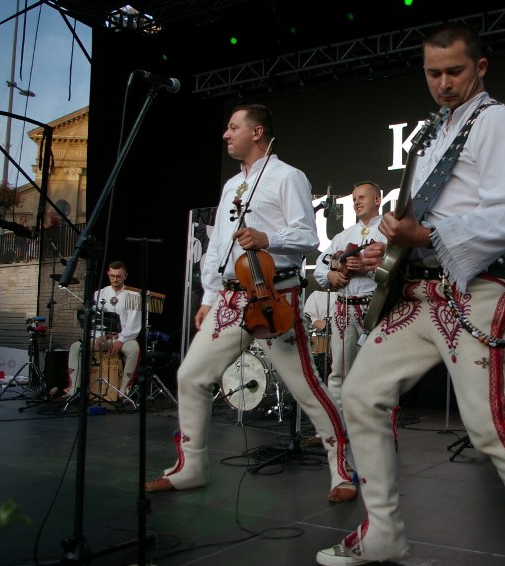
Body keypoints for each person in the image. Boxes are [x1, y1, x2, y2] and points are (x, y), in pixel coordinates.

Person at [316, 22, 505, 566]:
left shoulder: (501, 122)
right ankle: (382, 530)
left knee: (490, 426)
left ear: (480, 67)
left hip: (476, 288)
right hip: (418, 292)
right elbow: (425, 214)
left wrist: (423, 235)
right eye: (433, 73)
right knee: (359, 395)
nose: (443, 82)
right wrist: (392, 238)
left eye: (455, 70)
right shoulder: (434, 132)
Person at [145, 103, 357, 504]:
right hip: (229, 297)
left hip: (274, 294)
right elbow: (217, 250)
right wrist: (209, 296)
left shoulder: (287, 176)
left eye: (232, 127)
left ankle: (341, 468)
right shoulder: (230, 187)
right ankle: (191, 467)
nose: (225, 135)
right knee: (191, 376)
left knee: (307, 387)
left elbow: (308, 237)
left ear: (257, 132)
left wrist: (267, 238)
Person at [313, 181, 384, 407]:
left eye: (362, 197)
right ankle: (337, 429)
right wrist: (331, 277)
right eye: (354, 199)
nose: (356, 202)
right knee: (339, 371)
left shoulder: (388, 232)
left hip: (375, 307)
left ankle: (375, 431)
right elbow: (320, 267)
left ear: (377, 200)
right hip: (343, 308)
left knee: (377, 372)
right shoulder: (345, 235)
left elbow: (399, 273)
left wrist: (368, 268)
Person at [65, 260, 142, 398]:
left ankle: (124, 390)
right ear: (108, 274)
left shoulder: (134, 295)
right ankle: (74, 389)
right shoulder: (99, 294)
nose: (115, 279)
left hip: (123, 338)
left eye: (119, 276)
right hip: (103, 338)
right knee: (76, 347)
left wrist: (121, 340)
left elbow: (134, 324)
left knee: (134, 349)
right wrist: (97, 336)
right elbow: (94, 321)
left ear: (125, 275)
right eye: (112, 276)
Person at [303, 289, 336, 381]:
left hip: (343, 337)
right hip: (320, 337)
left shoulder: (352, 295)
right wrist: (317, 322)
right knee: (317, 338)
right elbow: (309, 318)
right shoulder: (317, 295)